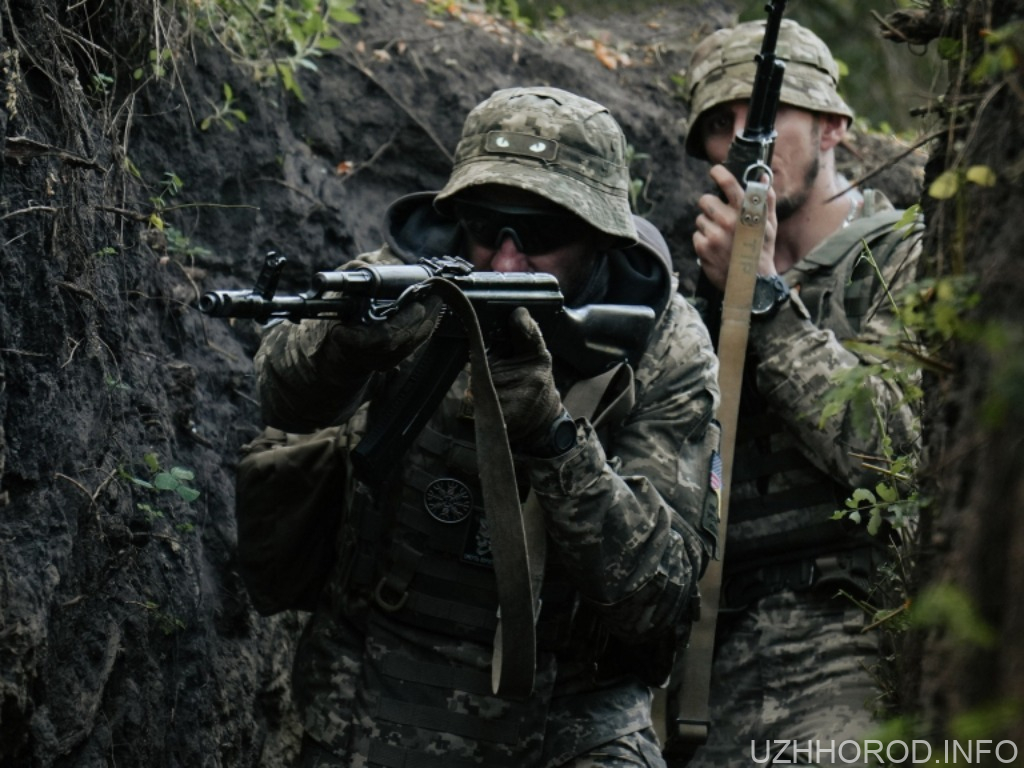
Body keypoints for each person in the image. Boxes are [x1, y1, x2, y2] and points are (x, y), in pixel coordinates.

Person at [252, 86, 722, 767]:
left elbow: (661, 602)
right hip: (377, 680)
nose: (505, 261)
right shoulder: (403, 280)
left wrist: (553, 438)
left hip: (571, 715)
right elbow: (278, 394)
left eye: (541, 234)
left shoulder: (664, 346)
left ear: (600, 235)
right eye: (485, 226)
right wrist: (348, 347)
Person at [681, 19, 922, 767]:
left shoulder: (901, 254)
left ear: (833, 128)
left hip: (852, 631)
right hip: (708, 649)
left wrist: (764, 303)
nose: (740, 142)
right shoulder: (699, 284)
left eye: (762, 117)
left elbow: (900, 458)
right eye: (719, 127)